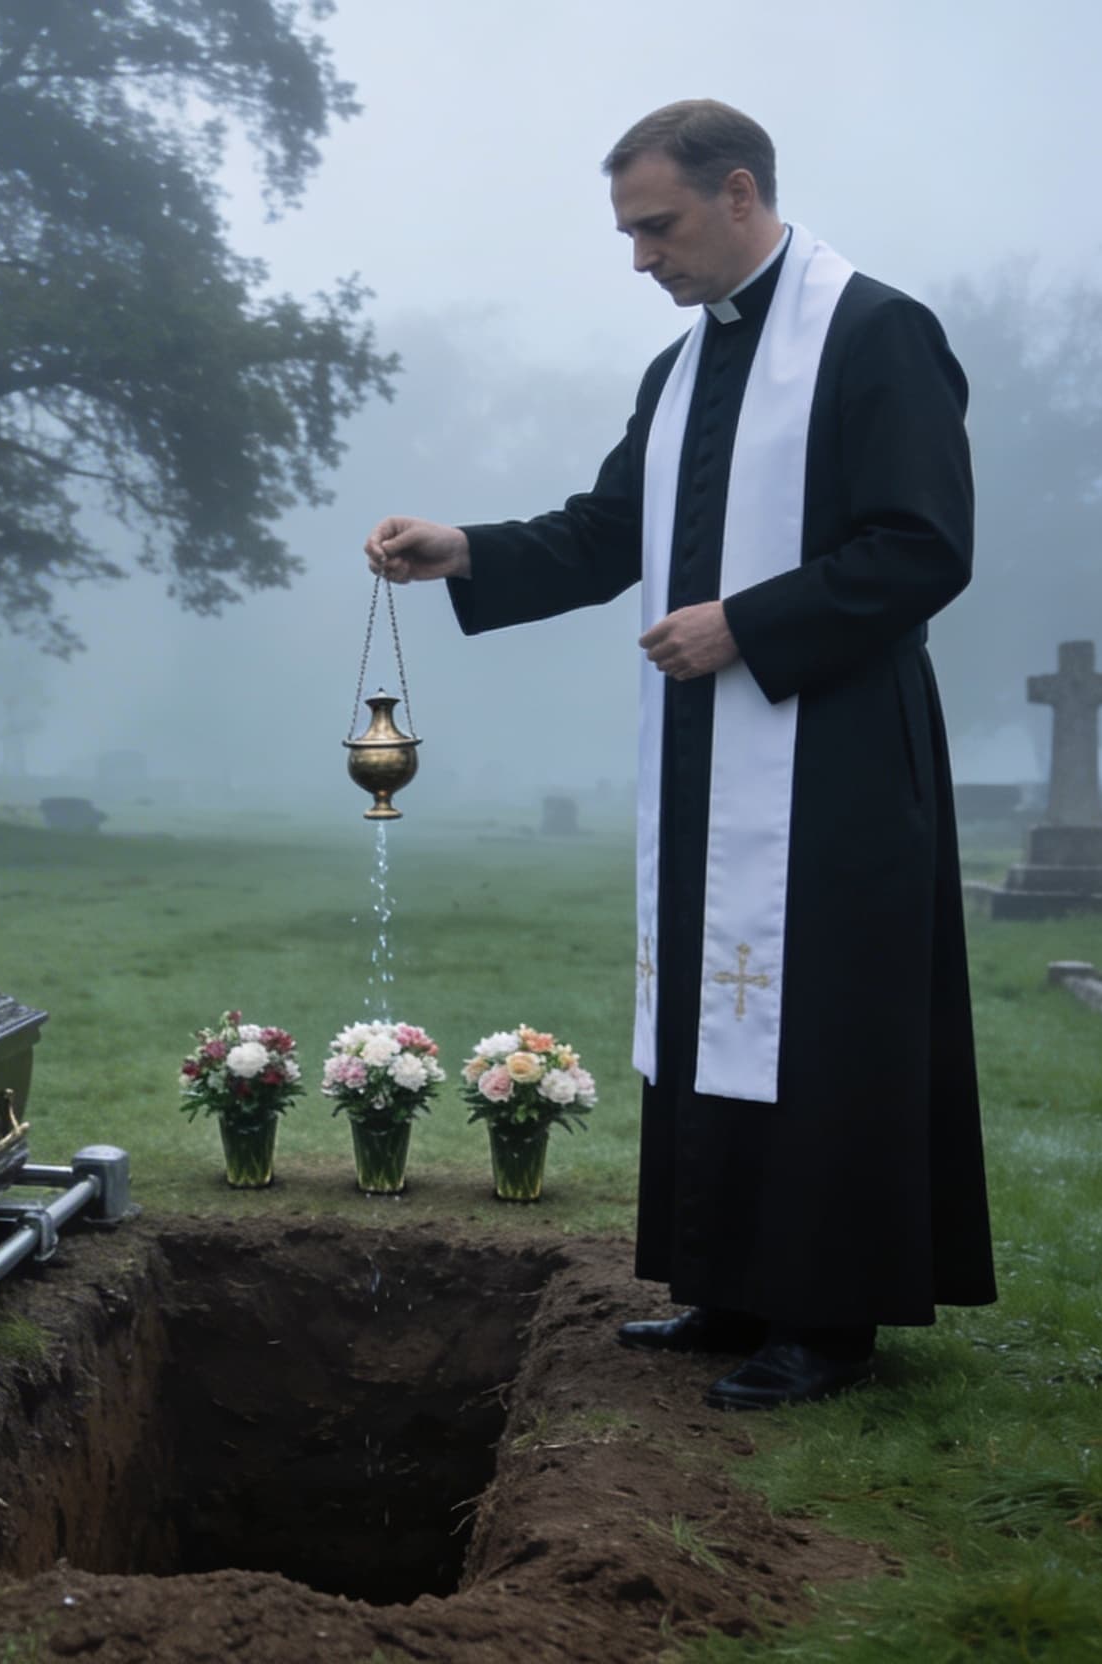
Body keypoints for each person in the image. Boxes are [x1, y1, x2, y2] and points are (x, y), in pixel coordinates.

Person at [366, 99, 995, 1410]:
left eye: (656, 227)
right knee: (719, 1020)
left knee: (818, 1022)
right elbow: (609, 532)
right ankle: (734, 1287)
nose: (640, 258)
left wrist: (748, 627)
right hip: (713, 753)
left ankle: (828, 1323)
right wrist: (466, 549)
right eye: (628, 233)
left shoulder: (877, 336)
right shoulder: (685, 367)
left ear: (742, 194)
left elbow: (923, 546)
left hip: (834, 758)